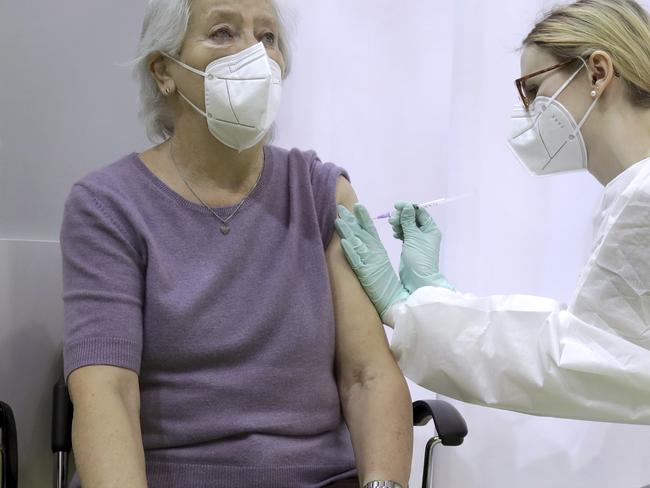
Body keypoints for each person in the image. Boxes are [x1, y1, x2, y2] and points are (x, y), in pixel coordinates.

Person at [60, 1, 412, 487]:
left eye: (267, 38)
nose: (255, 54)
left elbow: (367, 375)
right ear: (164, 71)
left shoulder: (319, 192)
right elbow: (108, 393)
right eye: (223, 32)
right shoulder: (109, 206)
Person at [335, 0, 650, 425]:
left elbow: (580, 361)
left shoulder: (642, 197)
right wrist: (436, 300)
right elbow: (591, 339)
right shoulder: (633, 193)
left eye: (533, 90)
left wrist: (406, 311)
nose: (527, 114)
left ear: (597, 72)